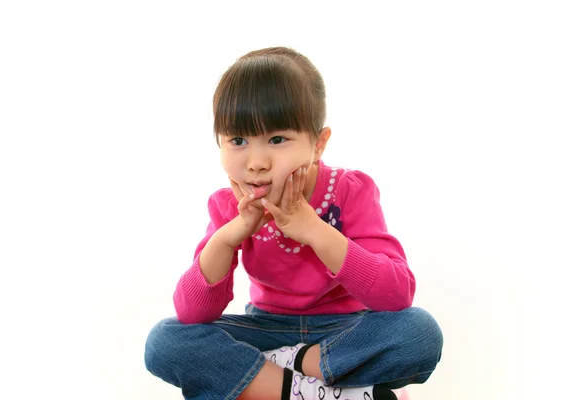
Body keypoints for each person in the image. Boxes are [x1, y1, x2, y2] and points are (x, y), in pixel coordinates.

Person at [144, 46, 443, 400]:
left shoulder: (349, 190)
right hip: (266, 329)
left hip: (343, 332)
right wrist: (228, 238)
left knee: (419, 333)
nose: (256, 162)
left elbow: (396, 294)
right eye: (238, 140)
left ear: (318, 144)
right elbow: (194, 311)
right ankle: (321, 389)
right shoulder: (229, 206)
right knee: (164, 341)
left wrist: (314, 230)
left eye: (277, 139)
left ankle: (277, 373)